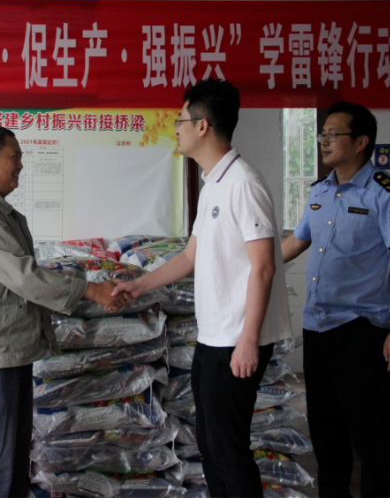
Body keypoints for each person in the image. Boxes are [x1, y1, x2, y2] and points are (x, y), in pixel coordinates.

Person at [113, 78, 292, 498]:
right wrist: (138, 286)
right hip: (214, 337)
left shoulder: (243, 183)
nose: (175, 128)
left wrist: (248, 340)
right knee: (211, 444)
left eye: (180, 120)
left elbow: (264, 267)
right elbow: (190, 256)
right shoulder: (214, 182)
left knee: (228, 449)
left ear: (203, 126)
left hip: (237, 339)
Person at [0, 125, 129, 498]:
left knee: (13, 463)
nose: (20, 165)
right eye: (14, 157)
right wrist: (92, 290)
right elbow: (24, 276)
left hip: (10, 350)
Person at [282, 101, 390, 497]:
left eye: (333, 134)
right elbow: (295, 244)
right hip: (318, 328)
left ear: (360, 142)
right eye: (322, 134)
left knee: (375, 434)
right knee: (327, 433)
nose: (323, 141)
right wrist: (248, 265)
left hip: (362, 331)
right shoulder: (320, 192)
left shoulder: (387, 193)